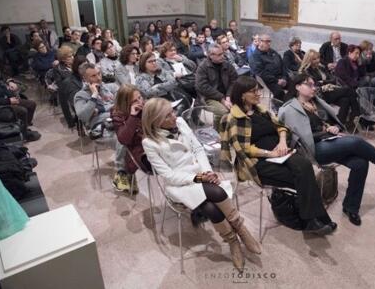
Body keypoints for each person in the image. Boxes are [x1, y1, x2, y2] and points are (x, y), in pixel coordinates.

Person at [278, 73, 375, 225]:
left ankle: (351, 208)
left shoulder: (317, 102)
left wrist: (333, 127)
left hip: (330, 141)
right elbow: (292, 134)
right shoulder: (289, 109)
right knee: (356, 142)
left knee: (361, 163)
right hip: (313, 149)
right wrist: (324, 132)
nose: (313, 87)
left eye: (314, 84)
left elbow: (329, 122)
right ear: (297, 87)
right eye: (309, 85)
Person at [142, 98, 261, 271]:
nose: (174, 116)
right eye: (168, 115)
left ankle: (238, 234)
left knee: (212, 204)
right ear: (156, 121)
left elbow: (198, 149)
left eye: (172, 112)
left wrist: (207, 172)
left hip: (201, 174)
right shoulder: (149, 143)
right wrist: (198, 178)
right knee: (217, 196)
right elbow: (168, 176)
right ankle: (235, 238)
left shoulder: (181, 122)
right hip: (179, 185)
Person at [220, 76, 337, 234]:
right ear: (242, 95)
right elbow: (244, 149)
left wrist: (282, 142)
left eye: (258, 90)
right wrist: (271, 153)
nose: (258, 94)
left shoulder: (261, 111)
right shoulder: (234, 118)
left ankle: (311, 220)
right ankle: (317, 219)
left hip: (281, 152)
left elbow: (281, 127)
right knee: (304, 173)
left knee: (304, 168)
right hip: (258, 162)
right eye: (253, 91)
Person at [74, 63, 128, 190]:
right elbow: (83, 116)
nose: (98, 78)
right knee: (123, 140)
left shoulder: (108, 87)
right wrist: (93, 97)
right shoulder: (80, 96)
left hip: (119, 120)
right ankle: (122, 174)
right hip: (100, 128)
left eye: (99, 73)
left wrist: (100, 109)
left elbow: (122, 103)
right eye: (93, 76)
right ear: (84, 79)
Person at [299, 49, 360, 130]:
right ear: (309, 60)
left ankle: (339, 125)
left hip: (330, 90)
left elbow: (333, 79)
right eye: (314, 59)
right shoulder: (306, 71)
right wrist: (325, 83)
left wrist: (323, 82)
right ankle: (357, 115)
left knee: (346, 100)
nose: (317, 60)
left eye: (318, 58)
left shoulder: (321, 67)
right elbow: (315, 85)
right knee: (349, 90)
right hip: (320, 94)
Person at [0, 64, 40, 142]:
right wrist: (8, 101)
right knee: (22, 111)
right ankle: (23, 135)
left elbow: (1, 85)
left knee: (31, 104)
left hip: (3, 99)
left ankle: (23, 128)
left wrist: (12, 96)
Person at [111, 84, 146, 193]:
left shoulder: (145, 105)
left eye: (140, 97)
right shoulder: (117, 113)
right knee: (121, 143)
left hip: (149, 140)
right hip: (136, 147)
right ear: (125, 103)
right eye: (135, 101)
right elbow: (124, 139)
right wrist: (133, 116)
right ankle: (123, 171)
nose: (140, 102)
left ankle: (124, 172)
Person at [195, 43, 238, 127]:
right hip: (209, 97)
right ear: (211, 55)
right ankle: (218, 132)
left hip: (227, 94)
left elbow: (234, 81)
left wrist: (228, 96)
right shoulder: (203, 67)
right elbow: (203, 87)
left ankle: (235, 129)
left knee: (243, 105)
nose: (222, 56)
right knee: (223, 111)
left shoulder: (227, 65)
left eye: (222, 53)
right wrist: (222, 99)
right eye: (219, 55)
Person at [250, 34, 288, 101]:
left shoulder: (273, 52)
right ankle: (281, 108)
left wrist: (284, 77)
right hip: (269, 81)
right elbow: (261, 73)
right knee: (279, 93)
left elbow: (283, 65)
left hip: (281, 77)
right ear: (260, 42)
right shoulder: (255, 56)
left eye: (270, 41)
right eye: (267, 41)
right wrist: (277, 81)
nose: (269, 43)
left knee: (295, 86)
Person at [59, 56, 86, 128]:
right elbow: (75, 102)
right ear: (77, 68)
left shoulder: (89, 76)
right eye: (82, 67)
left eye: (87, 66)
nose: (85, 69)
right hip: (83, 107)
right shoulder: (70, 82)